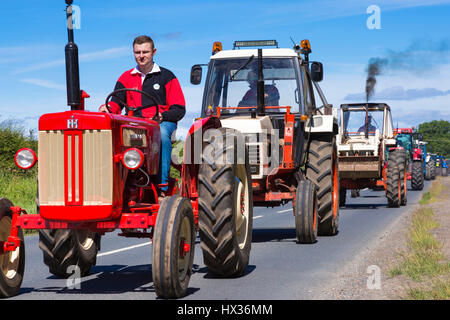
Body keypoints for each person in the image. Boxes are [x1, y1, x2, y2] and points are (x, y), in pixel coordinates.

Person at [99, 35, 185, 201]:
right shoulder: (126, 78)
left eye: (145, 52)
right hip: (134, 123)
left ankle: (161, 186)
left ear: (153, 52)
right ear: (133, 53)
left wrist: (163, 115)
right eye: (137, 52)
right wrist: (107, 109)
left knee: (161, 136)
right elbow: (116, 103)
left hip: (160, 123)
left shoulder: (167, 76)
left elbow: (179, 109)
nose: (141, 55)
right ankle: (113, 187)